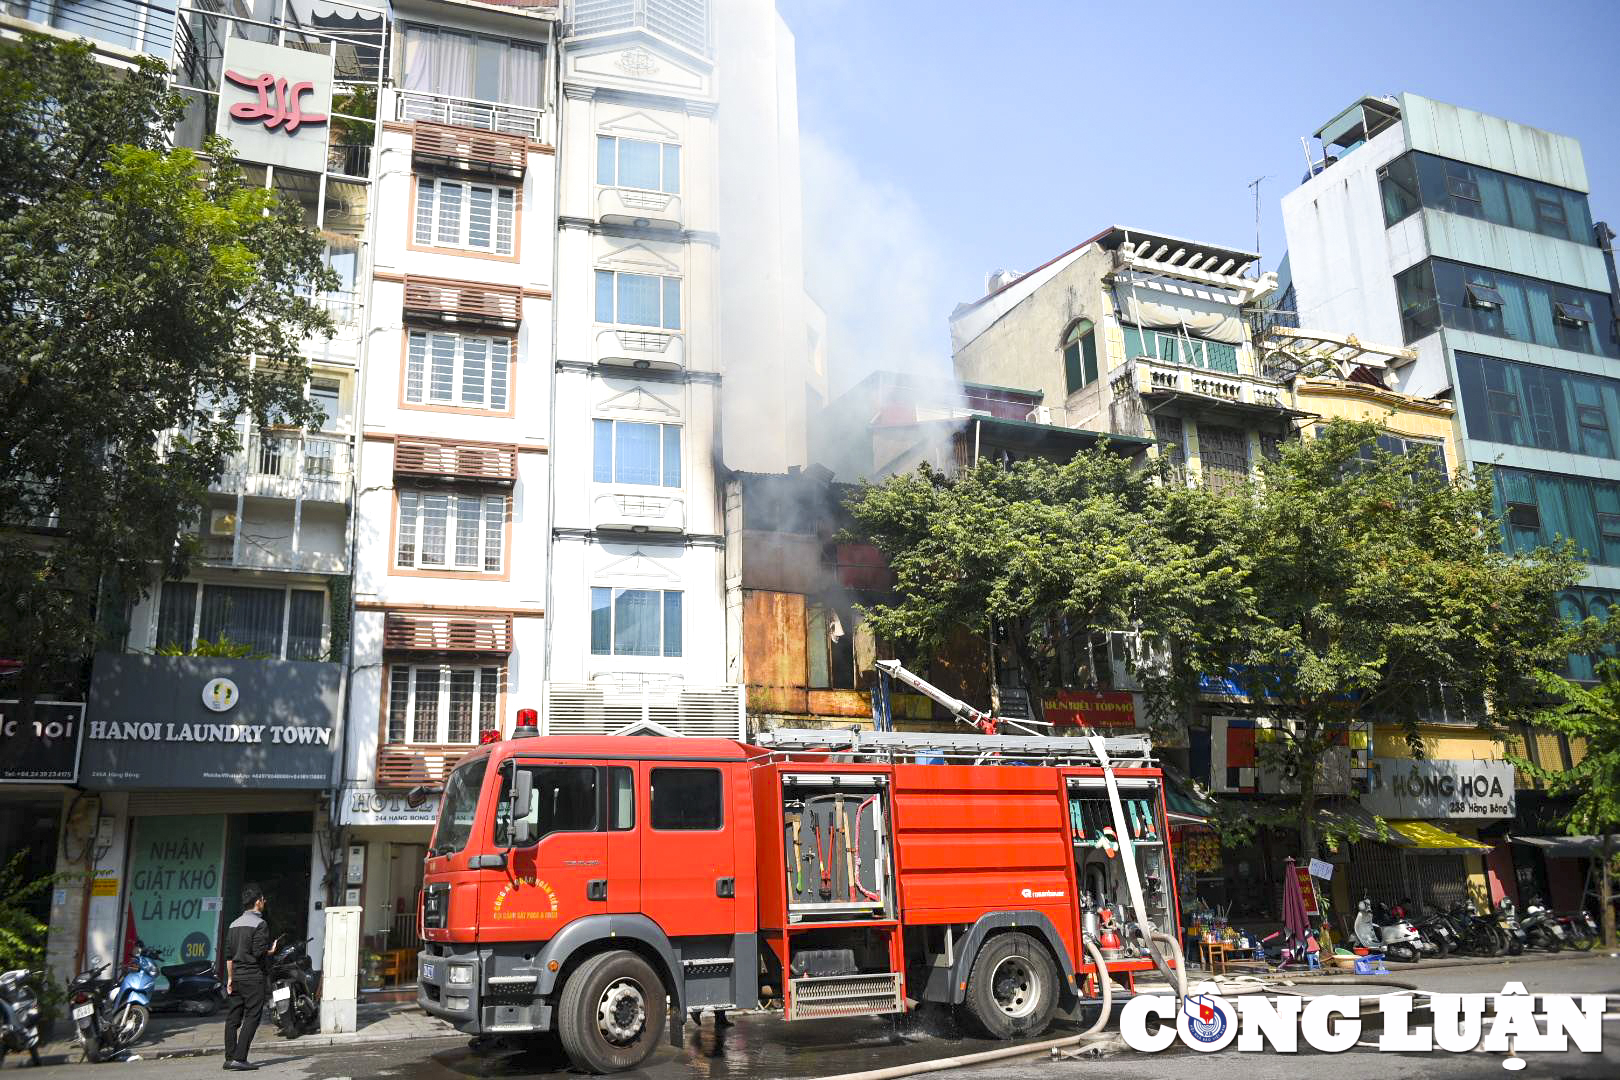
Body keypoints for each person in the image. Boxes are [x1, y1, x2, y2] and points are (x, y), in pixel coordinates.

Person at [223, 884, 280, 1071]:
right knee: (252, 1016)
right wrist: (270, 950)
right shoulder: (260, 924)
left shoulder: (233, 924)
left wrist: (230, 979)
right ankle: (240, 1058)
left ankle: (229, 1058)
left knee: (232, 1018)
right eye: (263, 900)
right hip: (253, 976)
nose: (264, 902)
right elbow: (257, 952)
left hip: (237, 976)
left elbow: (229, 956)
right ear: (257, 902)